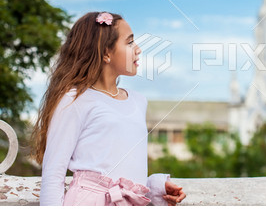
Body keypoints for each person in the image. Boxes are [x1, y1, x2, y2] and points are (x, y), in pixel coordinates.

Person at [29, 12, 186, 206]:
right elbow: (53, 175)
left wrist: (155, 188)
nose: (138, 49)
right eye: (129, 43)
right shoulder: (75, 100)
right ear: (106, 53)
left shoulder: (138, 101)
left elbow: (122, 171)